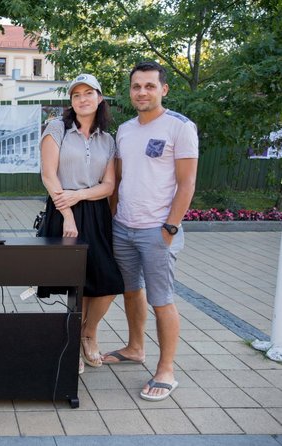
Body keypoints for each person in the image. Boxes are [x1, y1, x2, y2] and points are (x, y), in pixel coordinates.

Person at [105, 61, 199, 402]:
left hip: (158, 230)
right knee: (132, 292)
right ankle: (134, 347)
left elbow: (187, 183)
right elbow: (118, 180)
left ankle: (166, 370)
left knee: (162, 300)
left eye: (149, 86)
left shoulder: (180, 127)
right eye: (136, 86)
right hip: (124, 227)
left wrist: (170, 227)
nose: (142, 92)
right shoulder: (126, 130)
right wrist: (113, 218)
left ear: (163, 89)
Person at [39, 74, 125, 374]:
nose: (83, 99)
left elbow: (109, 184)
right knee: (75, 283)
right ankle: (72, 342)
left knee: (107, 280)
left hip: (96, 213)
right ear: (71, 101)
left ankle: (88, 333)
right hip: (63, 211)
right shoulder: (56, 128)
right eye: (77, 94)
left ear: (100, 98)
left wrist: (81, 195)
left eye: (89, 93)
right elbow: (49, 176)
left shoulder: (107, 139)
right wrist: (68, 213)